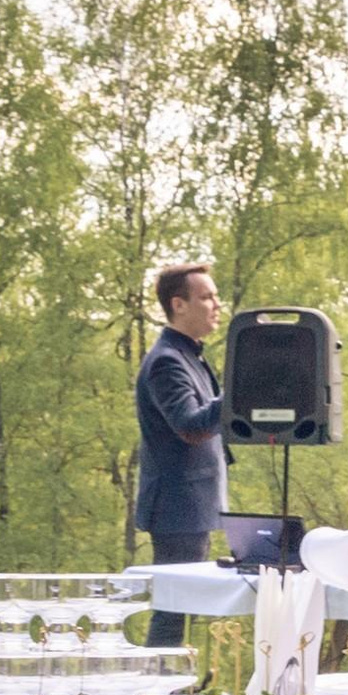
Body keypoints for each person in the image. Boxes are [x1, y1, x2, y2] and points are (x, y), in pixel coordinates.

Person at [134, 262, 225, 645]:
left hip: (192, 504)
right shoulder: (167, 361)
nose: (216, 304)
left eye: (216, 296)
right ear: (179, 305)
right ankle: (158, 693)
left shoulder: (190, 356)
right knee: (172, 612)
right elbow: (189, 425)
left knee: (180, 610)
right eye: (206, 297)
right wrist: (240, 389)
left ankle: (173, 692)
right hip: (176, 507)